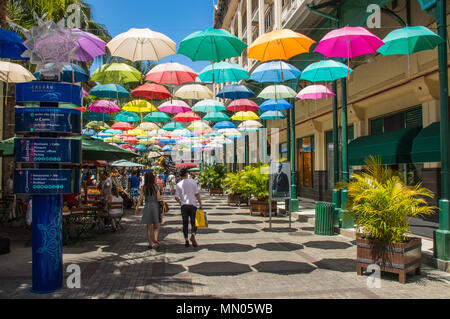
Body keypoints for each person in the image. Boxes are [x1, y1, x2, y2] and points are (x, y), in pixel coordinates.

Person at [174, 168, 203, 248]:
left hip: (184, 206)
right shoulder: (193, 182)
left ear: (180, 175)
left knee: (185, 223)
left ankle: (186, 240)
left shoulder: (179, 184)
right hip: (193, 205)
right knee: (194, 222)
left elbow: (176, 197)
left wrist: (180, 202)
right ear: (187, 174)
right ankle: (193, 235)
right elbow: (197, 194)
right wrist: (200, 204)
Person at [135, 172, 161, 249]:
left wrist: (137, 207)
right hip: (155, 205)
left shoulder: (144, 187)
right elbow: (158, 198)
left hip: (147, 206)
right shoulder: (156, 186)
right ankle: (155, 239)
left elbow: (140, 199)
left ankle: (150, 243)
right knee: (156, 225)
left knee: (148, 227)